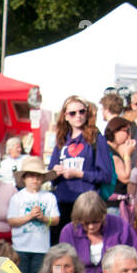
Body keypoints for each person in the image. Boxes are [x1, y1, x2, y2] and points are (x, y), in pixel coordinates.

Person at [48, 96, 113, 241]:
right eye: (72, 113)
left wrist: (78, 173)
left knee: (85, 247)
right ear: (65, 116)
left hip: (87, 203)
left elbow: (106, 175)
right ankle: (61, 265)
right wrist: (56, 172)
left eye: (81, 112)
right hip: (63, 202)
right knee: (61, 248)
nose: (78, 116)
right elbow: (50, 174)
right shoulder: (62, 139)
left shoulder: (96, 138)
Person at [58, 190, 137, 273]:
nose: (91, 226)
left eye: (95, 221)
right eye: (85, 223)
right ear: (78, 219)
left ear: (103, 216)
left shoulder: (120, 226)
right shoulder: (68, 231)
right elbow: (63, 266)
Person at [7, 155, 59, 273]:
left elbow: (56, 220)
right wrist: (29, 216)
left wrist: (44, 218)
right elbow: (11, 221)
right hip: (20, 247)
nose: (34, 179)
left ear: (43, 178)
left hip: (41, 247)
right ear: (24, 178)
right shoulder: (17, 197)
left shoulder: (49, 197)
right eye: (31, 176)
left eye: (38, 176)